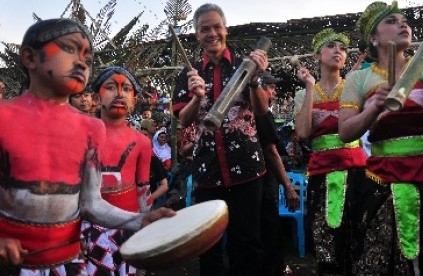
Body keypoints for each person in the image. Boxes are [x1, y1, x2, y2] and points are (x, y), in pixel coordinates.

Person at [0, 18, 175, 274]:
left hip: (70, 262)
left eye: (88, 58)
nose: (81, 62)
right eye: (68, 49)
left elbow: (91, 204)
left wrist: (139, 220)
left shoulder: (91, 130)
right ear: (29, 57)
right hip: (12, 264)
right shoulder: (4, 119)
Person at [338, 1, 423, 274]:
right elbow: (346, 132)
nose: (403, 24)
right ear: (373, 37)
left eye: (404, 19)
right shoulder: (358, 78)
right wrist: (374, 108)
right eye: (391, 21)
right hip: (383, 180)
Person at [171, 3, 270, 275]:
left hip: (247, 170)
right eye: (204, 29)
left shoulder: (245, 65)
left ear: (225, 29)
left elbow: (261, 110)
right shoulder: (188, 75)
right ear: (197, 35)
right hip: (207, 170)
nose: (211, 33)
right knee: (208, 244)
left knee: (247, 242)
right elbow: (183, 120)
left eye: (216, 26)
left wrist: (253, 80)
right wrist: (198, 97)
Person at [293, 28, 366, 275]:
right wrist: (311, 87)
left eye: (343, 48)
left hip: (355, 171)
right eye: (331, 46)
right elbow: (303, 132)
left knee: (355, 237)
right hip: (320, 172)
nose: (338, 51)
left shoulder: (354, 86)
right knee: (324, 240)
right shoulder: (304, 93)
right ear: (316, 56)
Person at [81, 66, 158, 275]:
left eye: (126, 89)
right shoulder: (81, 136)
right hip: (89, 228)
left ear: (134, 100)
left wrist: (145, 230)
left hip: (129, 224)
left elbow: (143, 189)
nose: (119, 94)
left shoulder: (142, 141)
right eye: (111, 87)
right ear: (97, 98)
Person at [256, 72, 300, 276]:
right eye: (270, 87)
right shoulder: (261, 114)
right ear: (259, 88)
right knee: (270, 230)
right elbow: (271, 151)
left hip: (250, 184)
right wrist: (289, 187)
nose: (273, 92)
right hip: (263, 182)